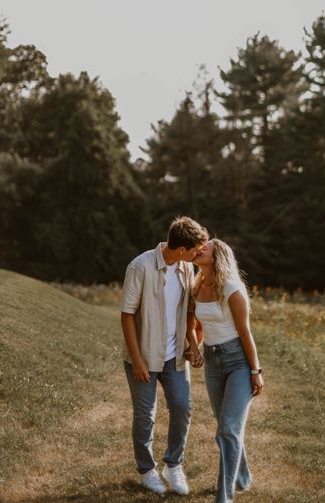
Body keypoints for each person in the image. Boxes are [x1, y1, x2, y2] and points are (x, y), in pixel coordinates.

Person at [120, 216, 208, 496]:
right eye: (195, 250)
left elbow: (187, 314)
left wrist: (193, 345)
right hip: (144, 355)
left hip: (175, 358)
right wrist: (137, 359)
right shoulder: (140, 266)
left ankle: (173, 465)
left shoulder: (185, 269)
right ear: (182, 249)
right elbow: (126, 314)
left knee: (183, 407)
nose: (199, 255)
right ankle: (147, 471)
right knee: (145, 416)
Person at [186, 239, 264, 503]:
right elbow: (197, 327)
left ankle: (224, 497)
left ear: (217, 256)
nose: (199, 249)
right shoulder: (197, 287)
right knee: (226, 428)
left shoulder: (232, 288)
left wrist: (256, 370)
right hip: (213, 362)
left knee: (227, 430)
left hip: (238, 363)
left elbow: (245, 332)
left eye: (204, 248)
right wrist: (195, 349)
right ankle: (242, 478)